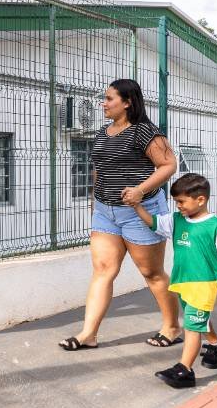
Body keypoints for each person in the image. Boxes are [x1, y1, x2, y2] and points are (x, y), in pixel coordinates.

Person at [59, 79, 179, 351]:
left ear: (127, 102)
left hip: (141, 211)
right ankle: (88, 334)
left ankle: (172, 326)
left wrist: (139, 190)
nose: (103, 103)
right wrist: (95, 203)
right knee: (102, 270)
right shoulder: (103, 133)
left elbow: (168, 165)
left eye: (109, 98)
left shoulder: (145, 132)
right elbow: (98, 168)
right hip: (105, 212)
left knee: (151, 272)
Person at [130, 173, 217, 388]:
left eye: (181, 202)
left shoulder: (216, 226)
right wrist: (137, 206)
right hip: (182, 282)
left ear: (201, 199)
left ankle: (184, 370)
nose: (178, 206)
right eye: (176, 202)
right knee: (198, 319)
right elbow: (154, 222)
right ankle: (216, 344)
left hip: (203, 285)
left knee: (192, 326)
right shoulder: (177, 221)